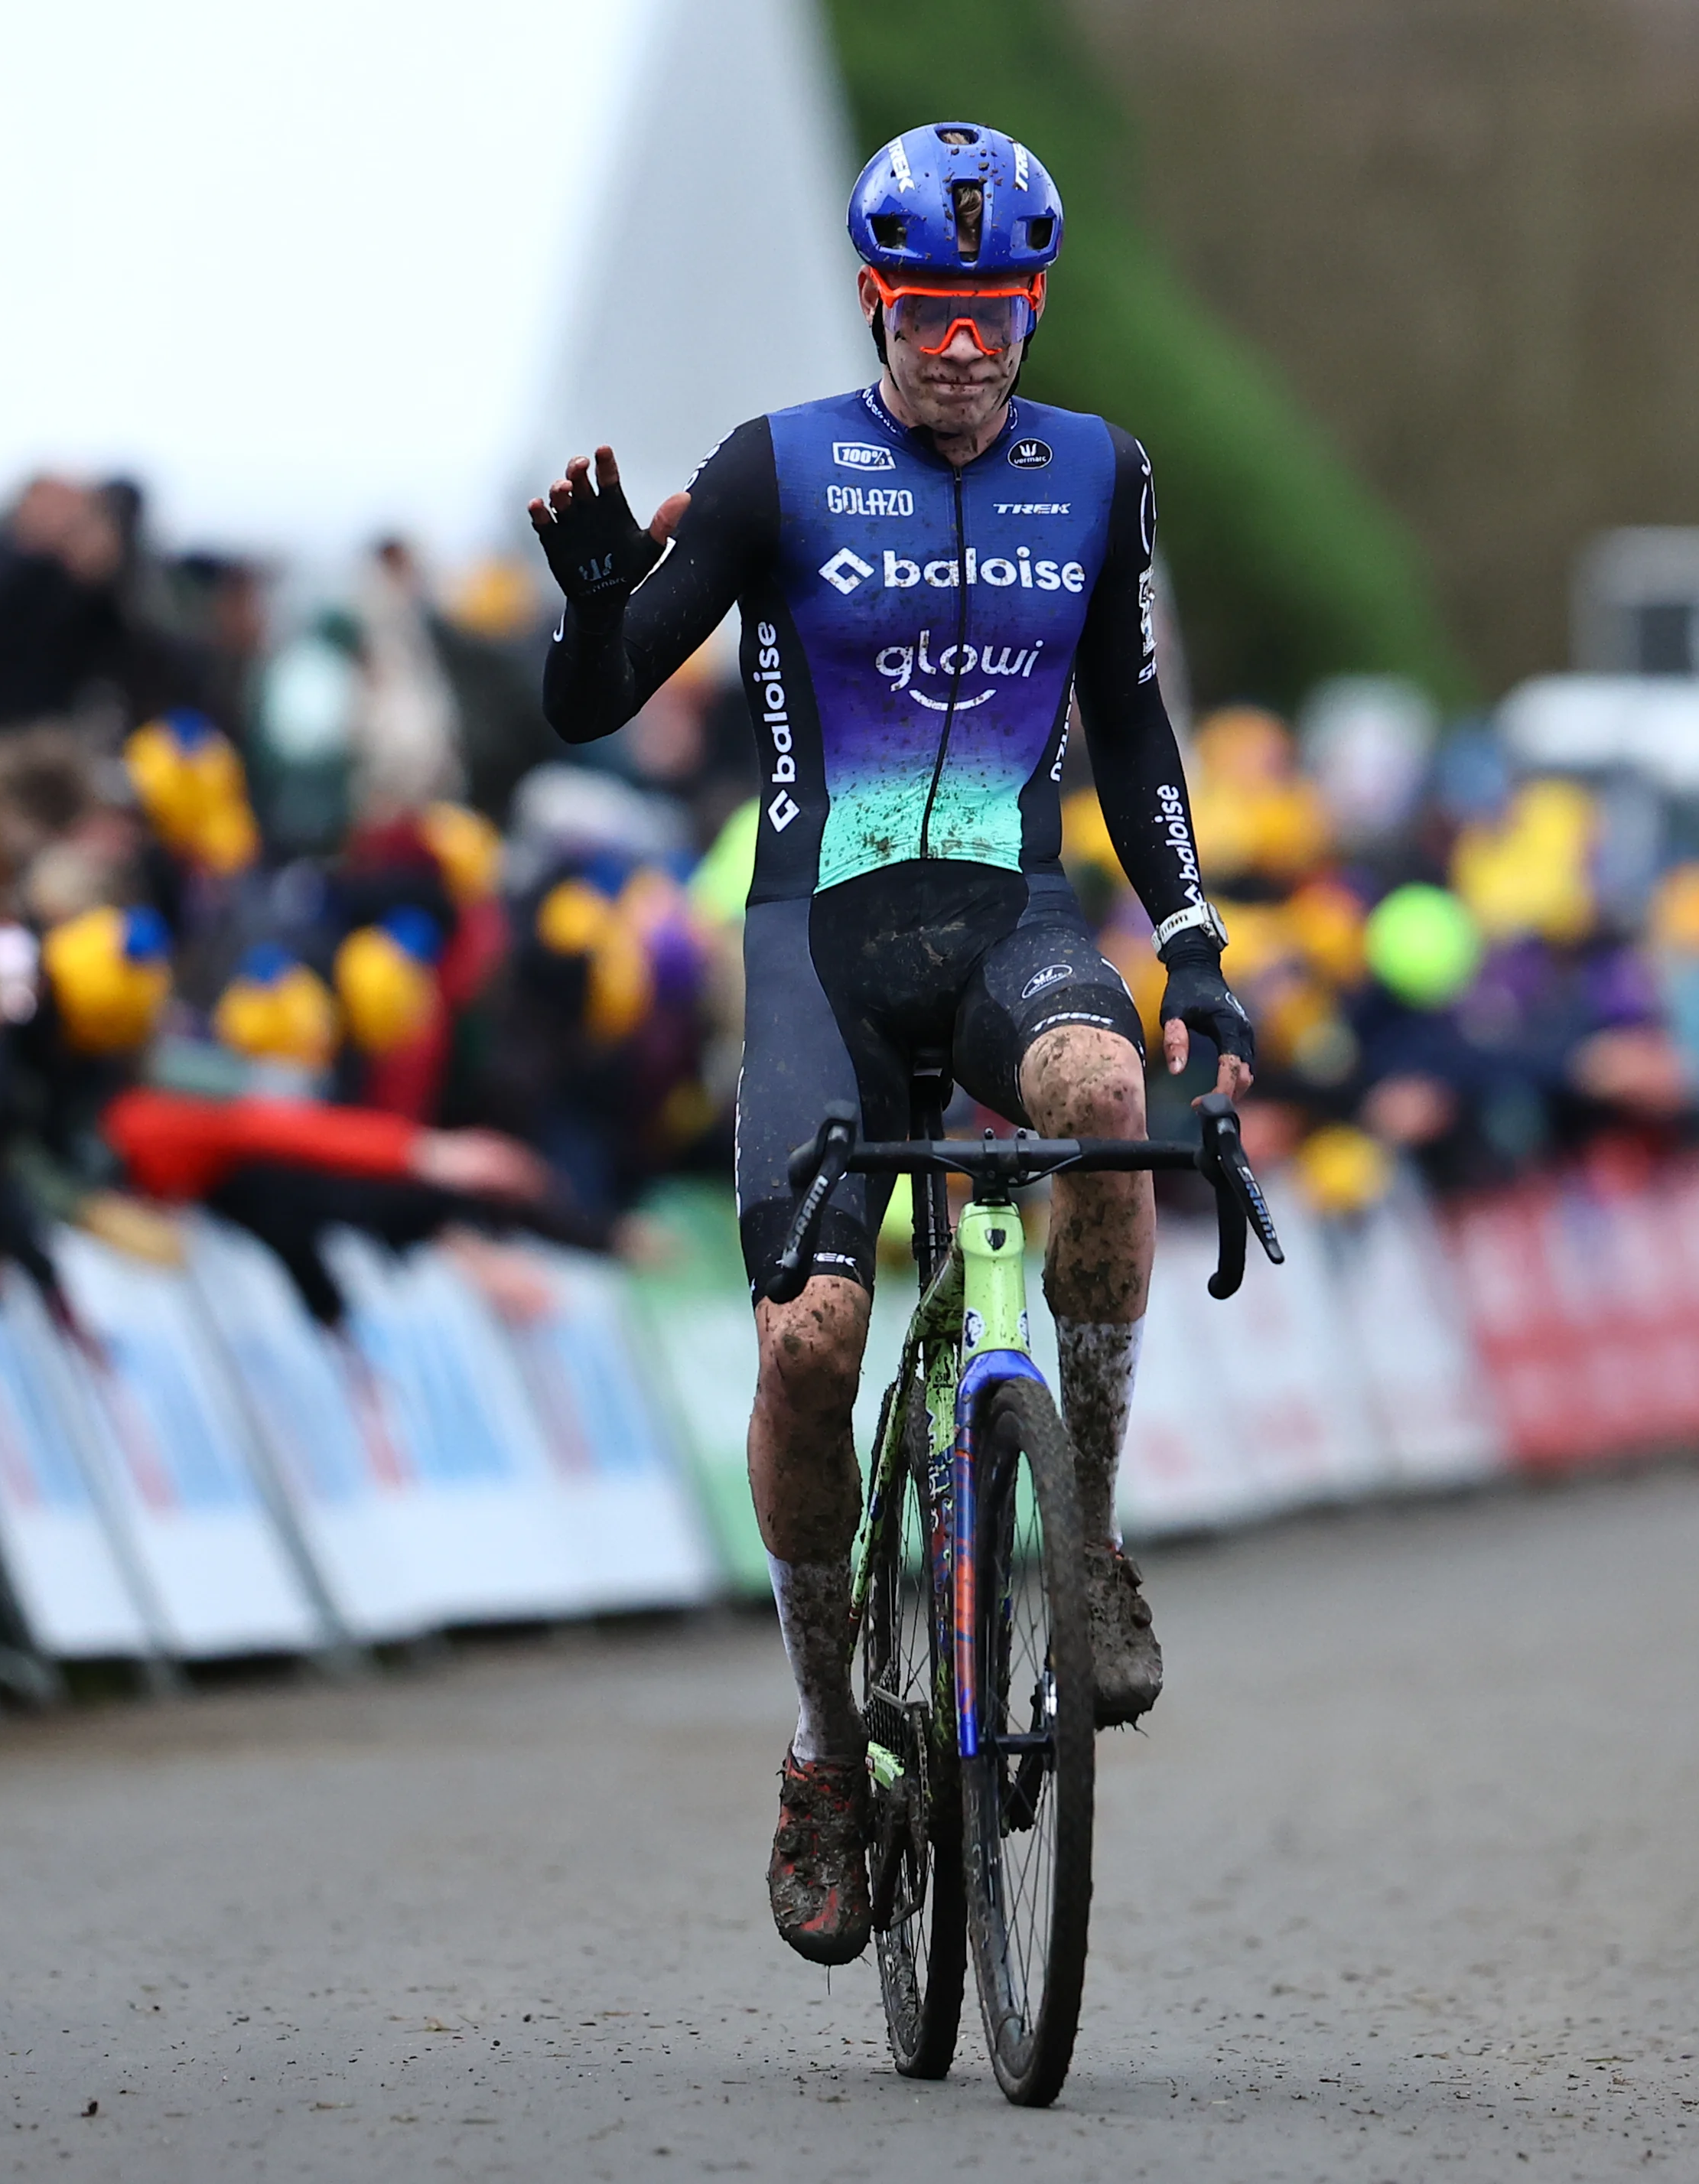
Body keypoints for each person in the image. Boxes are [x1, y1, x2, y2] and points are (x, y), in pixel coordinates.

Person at [530, 121, 1254, 1964]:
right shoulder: (776, 470)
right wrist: (601, 610)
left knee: (1106, 1106)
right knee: (818, 1343)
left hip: (1011, 922)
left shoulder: (1098, 474)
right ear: (878, 304)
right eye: (930, 313)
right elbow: (595, 708)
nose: (964, 345)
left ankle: (1080, 1535)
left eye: (995, 309)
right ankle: (820, 1741)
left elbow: (1134, 726)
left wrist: (1194, 950)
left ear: (1030, 305)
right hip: (821, 943)